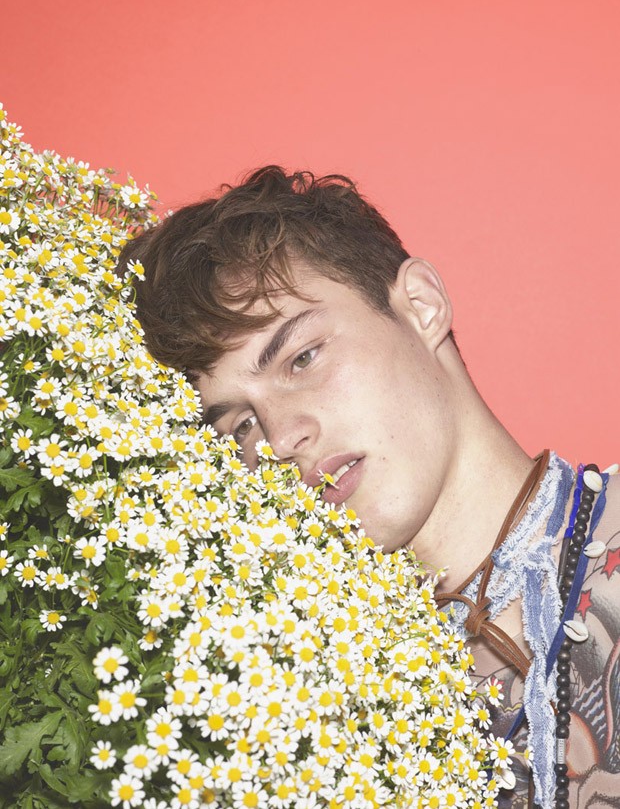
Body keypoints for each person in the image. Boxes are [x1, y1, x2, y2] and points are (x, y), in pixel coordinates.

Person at [117, 166, 620, 809]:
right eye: (241, 424)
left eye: (302, 358)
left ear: (422, 307)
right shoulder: (308, 717)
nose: (280, 438)